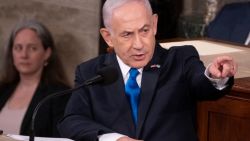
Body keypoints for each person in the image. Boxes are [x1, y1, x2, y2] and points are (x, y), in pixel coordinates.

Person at [58, 0, 237, 141]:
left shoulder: (180, 59)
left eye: (144, 30)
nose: (139, 45)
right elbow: (71, 121)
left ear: (154, 24)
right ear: (108, 37)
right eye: (127, 34)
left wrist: (214, 76)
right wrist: (114, 139)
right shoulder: (90, 72)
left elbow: (201, 84)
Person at [0, 20, 71, 137]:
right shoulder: (2, 89)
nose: (24, 55)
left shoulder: (60, 95)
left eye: (32, 48)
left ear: (47, 53)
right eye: (18, 48)